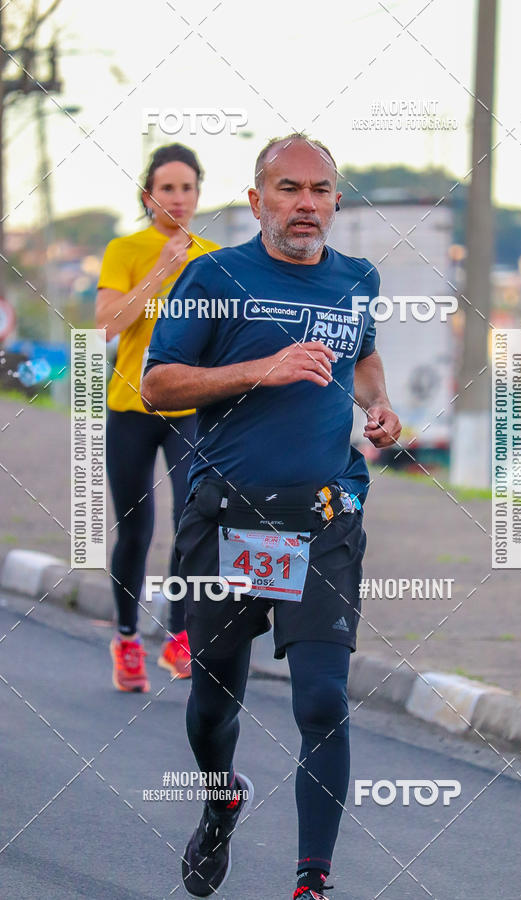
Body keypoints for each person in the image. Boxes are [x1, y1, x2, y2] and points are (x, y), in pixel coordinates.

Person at [141, 133, 401, 898]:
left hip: (321, 520)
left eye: (319, 191)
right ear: (257, 201)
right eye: (288, 189)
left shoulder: (358, 280)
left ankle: (310, 882)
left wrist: (378, 404)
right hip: (229, 522)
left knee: (321, 697)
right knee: (214, 697)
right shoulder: (213, 275)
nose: (305, 205)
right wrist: (264, 367)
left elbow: (362, 354)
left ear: (335, 204)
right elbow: (159, 385)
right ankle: (220, 798)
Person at [96, 143, 219, 692]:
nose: (178, 197)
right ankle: (126, 640)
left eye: (187, 188)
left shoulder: (214, 257)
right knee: (136, 529)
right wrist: (161, 271)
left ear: (197, 195)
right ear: (148, 196)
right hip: (129, 407)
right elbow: (104, 325)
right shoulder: (124, 249)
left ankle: (178, 637)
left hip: (190, 407)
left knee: (192, 524)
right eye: (167, 188)